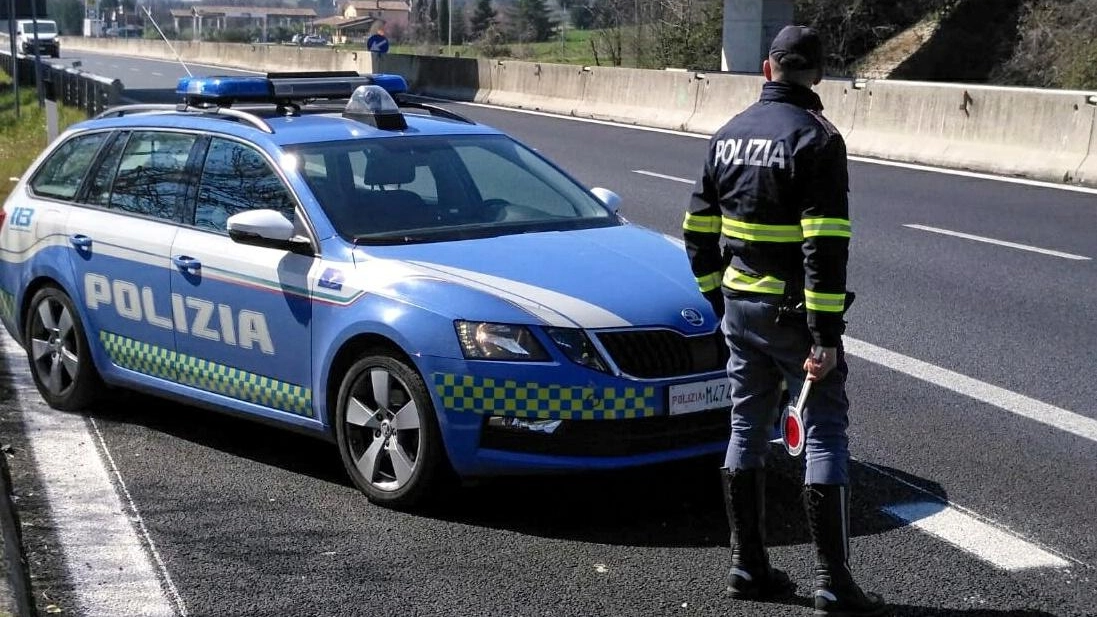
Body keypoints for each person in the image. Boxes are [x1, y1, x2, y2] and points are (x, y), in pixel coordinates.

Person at [682, 25, 887, 617]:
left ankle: (747, 566)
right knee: (823, 432)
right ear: (818, 75)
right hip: (793, 315)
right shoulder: (818, 139)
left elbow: (696, 231)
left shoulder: (727, 134)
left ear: (767, 70)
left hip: (741, 306)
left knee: (745, 429)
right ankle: (833, 583)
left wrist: (718, 298)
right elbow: (824, 246)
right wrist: (826, 338)